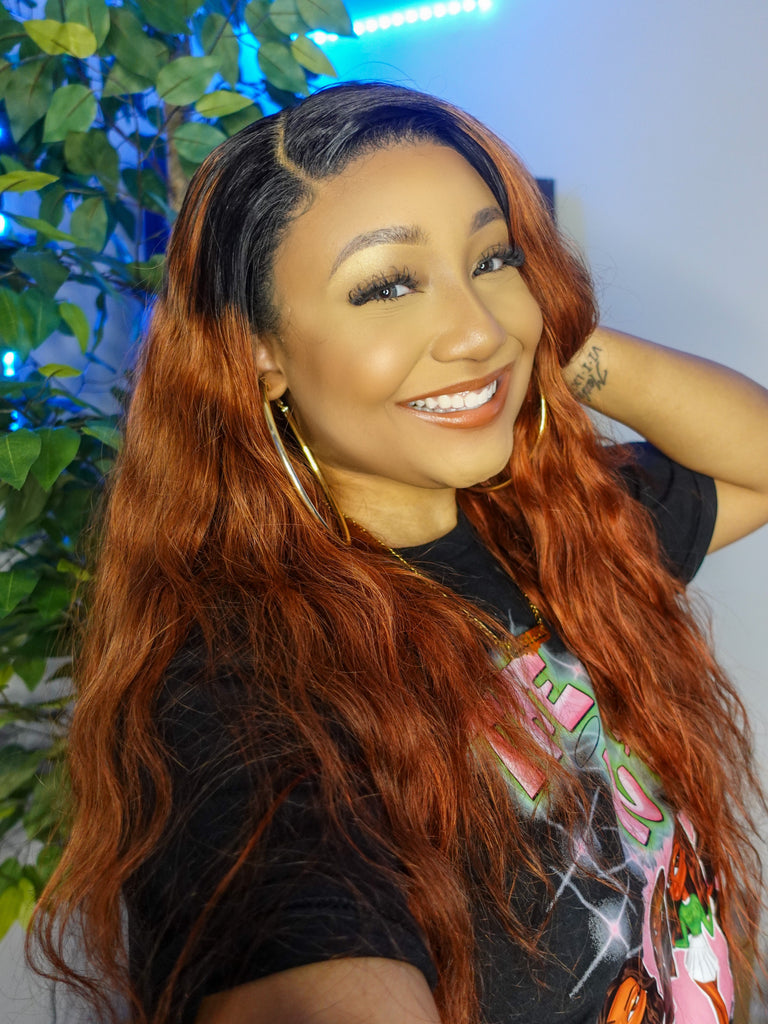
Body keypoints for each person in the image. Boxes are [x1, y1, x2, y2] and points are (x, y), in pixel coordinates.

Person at [30, 83, 768, 1024]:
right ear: (257, 353)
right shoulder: (239, 687)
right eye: (387, 286)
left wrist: (541, 339)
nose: (477, 329)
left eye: (493, 259)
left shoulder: (553, 527)